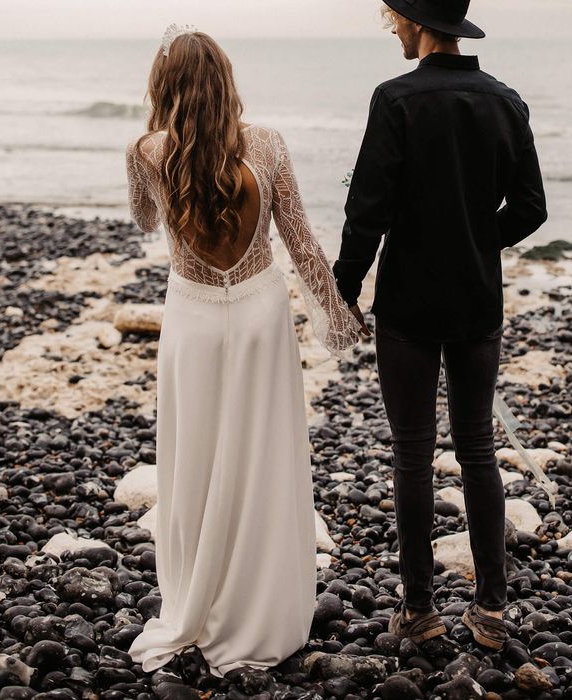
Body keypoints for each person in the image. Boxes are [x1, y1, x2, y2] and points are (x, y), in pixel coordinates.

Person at [125, 25, 364, 678]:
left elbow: (145, 221)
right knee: (263, 455)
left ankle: (199, 597)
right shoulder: (268, 145)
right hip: (259, 316)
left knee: (197, 456)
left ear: (164, 87)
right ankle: (262, 607)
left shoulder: (145, 151)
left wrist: (163, 152)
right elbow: (304, 244)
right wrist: (338, 319)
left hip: (194, 322)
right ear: (227, 82)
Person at [333, 0, 547, 650]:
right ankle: (490, 611)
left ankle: (420, 611)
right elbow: (532, 207)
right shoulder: (504, 99)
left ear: (419, 23)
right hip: (477, 297)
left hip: (408, 302)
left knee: (413, 453)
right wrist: (478, 242)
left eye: (393, 16)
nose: (390, 26)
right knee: (478, 448)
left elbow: (367, 209)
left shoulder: (394, 100)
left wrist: (342, 289)